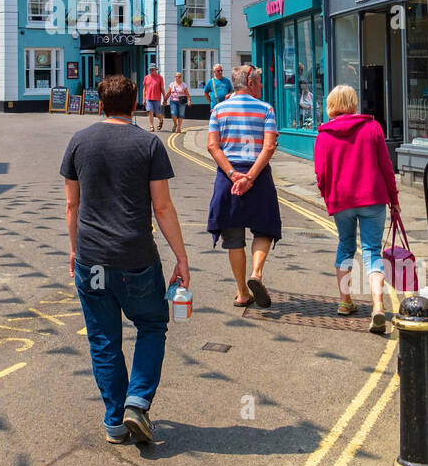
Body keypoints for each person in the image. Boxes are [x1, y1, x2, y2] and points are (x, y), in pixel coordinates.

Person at [61, 74, 191, 445]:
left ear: (99, 103)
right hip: (136, 259)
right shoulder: (148, 144)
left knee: (103, 338)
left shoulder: (78, 142)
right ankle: (137, 401)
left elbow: (72, 205)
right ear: (135, 104)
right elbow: (162, 207)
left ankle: (115, 421)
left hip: (93, 260)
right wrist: (181, 258)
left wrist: (74, 250)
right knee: (151, 325)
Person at [312, 84, 400, 333]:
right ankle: (378, 306)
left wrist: (327, 197)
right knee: (372, 250)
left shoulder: (324, 134)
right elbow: (386, 166)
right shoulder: (372, 127)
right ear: (353, 103)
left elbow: (321, 174)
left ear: (331, 105)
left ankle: (345, 301)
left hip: (342, 201)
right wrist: (394, 199)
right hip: (373, 198)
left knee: (346, 245)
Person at [206, 64, 282, 308]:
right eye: (259, 82)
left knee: (234, 237)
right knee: (263, 229)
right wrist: (250, 177)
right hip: (257, 174)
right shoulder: (266, 109)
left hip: (229, 178)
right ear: (250, 83)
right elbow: (269, 146)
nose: (261, 86)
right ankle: (256, 274)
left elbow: (212, 146)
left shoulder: (218, 109)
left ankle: (242, 292)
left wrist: (232, 174)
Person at [142, 64, 165, 132]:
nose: (151, 71)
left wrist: (165, 98)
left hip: (157, 98)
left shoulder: (160, 78)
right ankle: (152, 126)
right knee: (150, 112)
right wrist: (144, 99)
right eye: (150, 70)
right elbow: (144, 89)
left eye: (152, 69)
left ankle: (161, 120)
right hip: (148, 98)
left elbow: (162, 89)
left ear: (156, 70)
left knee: (157, 114)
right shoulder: (146, 77)